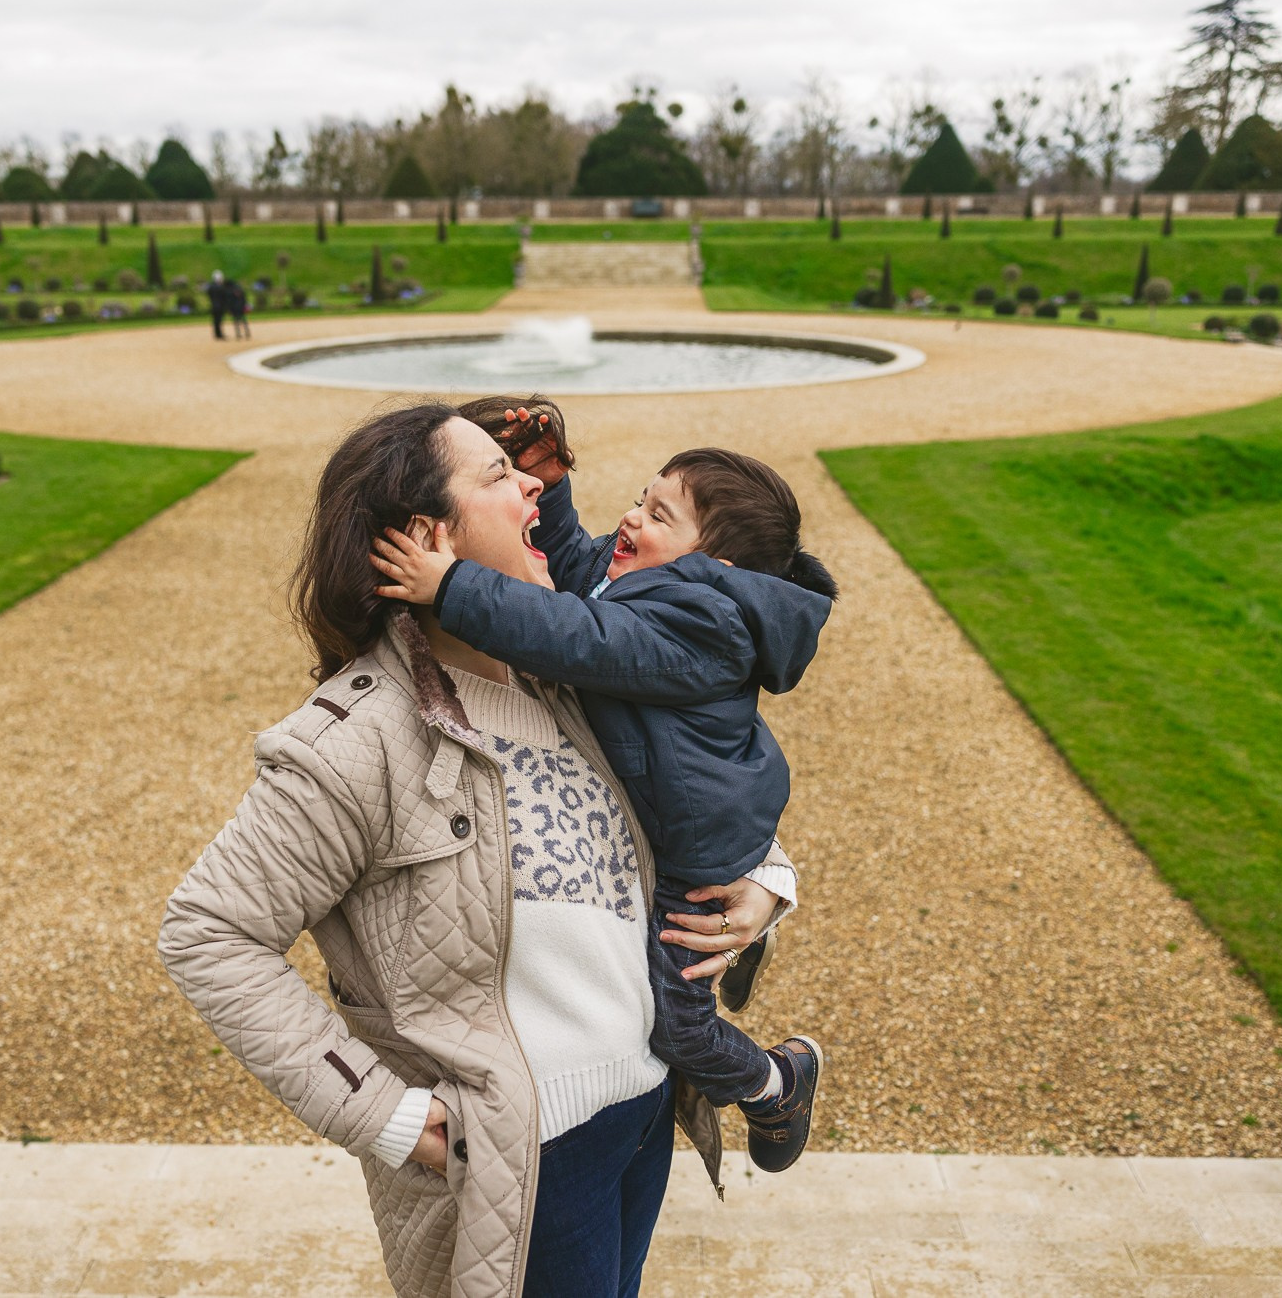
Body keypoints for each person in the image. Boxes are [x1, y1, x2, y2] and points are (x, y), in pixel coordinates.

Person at [158, 404, 795, 1298]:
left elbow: (709, 783)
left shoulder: (570, 677)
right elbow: (208, 930)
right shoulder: (358, 738)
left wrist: (769, 879)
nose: (536, 483)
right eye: (500, 474)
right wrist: (385, 1114)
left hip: (647, 1113)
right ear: (428, 537)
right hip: (526, 1162)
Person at [371, 403, 832, 1173]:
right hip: (676, 824)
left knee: (679, 1027)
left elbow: (568, 631)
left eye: (658, 515)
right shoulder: (656, 589)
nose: (630, 516)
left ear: (712, 570)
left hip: (684, 854)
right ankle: (751, 948)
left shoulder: (694, 622)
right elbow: (579, 574)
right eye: (641, 497)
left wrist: (448, 584)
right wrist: (550, 491)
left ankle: (776, 1083)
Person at [207, 270, 227, 340]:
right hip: (219, 306)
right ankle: (219, 334)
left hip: (214, 305)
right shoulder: (220, 287)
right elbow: (224, 296)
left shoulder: (211, 286)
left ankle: (217, 334)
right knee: (218, 320)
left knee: (216, 320)